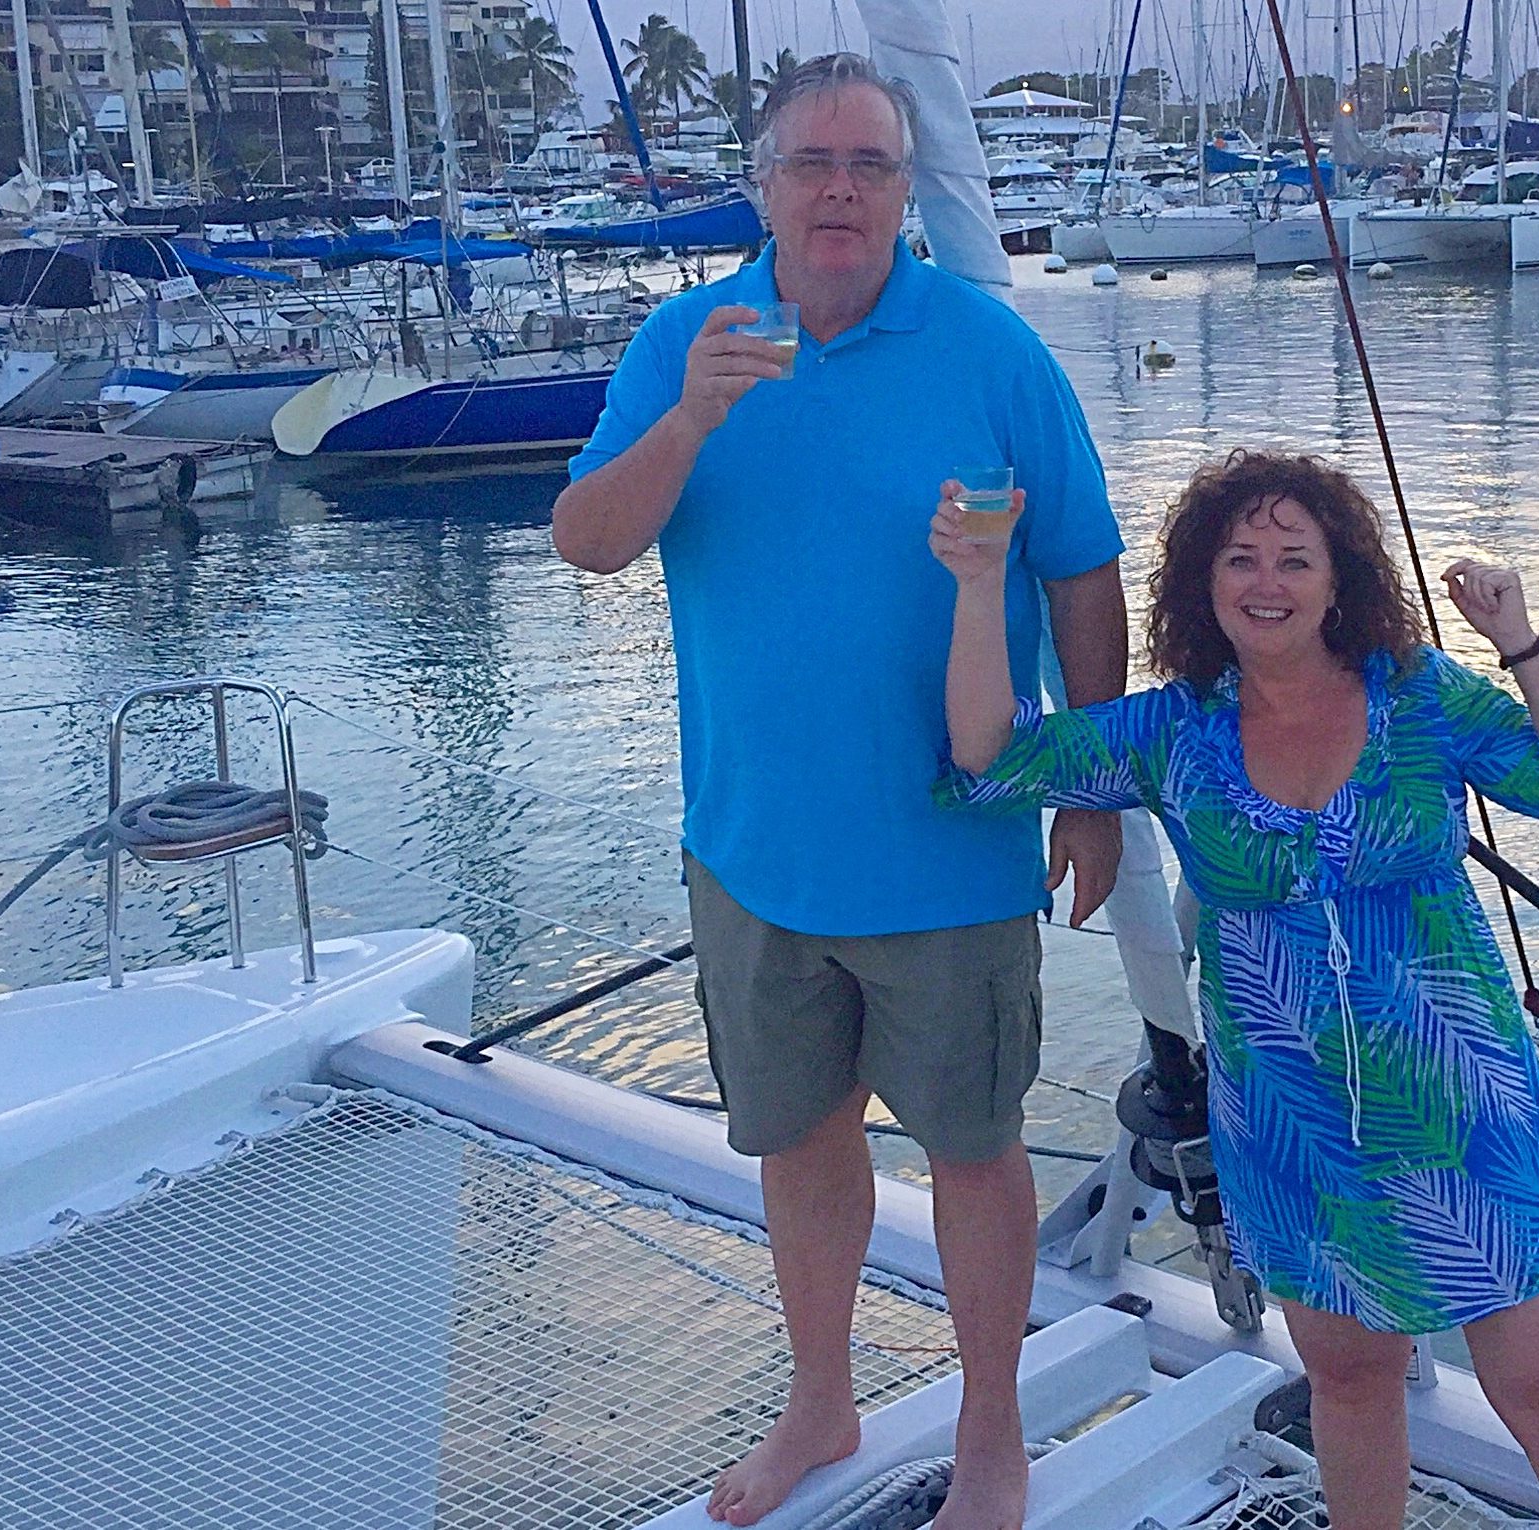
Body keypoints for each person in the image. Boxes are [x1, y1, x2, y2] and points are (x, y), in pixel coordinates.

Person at [549, 53, 1128, 1530]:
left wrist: (1095, 790)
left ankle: (993, 1435)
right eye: (813, 164)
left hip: (954, 850)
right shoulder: (689, 338)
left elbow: (1083, 566)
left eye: (872, 165)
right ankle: (823, 1397)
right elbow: (588, 541)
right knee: (799, 1143)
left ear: (906, 186)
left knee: (976, 1150)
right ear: (764, 187)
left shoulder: (990, 348)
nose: (842, 192)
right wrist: (687, 420)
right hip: (753, 852)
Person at [932, 450, 1539, 1530]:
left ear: (1338, 581)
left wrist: (1521, 641)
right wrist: (978, 582)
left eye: (1293, 558)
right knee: (1351, 1384)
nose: (1266, 582)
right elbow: (991, 761)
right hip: (1291, 1125)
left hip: (1464, 1113)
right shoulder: (1179, 729)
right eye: (1240, 559)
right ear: (1204, 583)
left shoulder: (1417, 695)